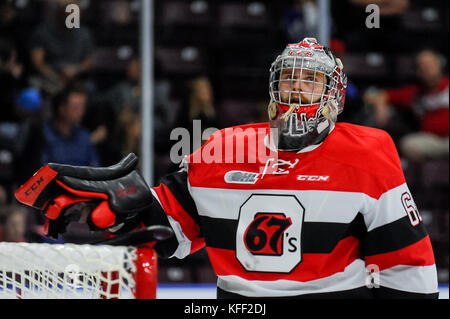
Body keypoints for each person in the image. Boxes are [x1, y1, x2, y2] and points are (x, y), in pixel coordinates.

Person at [15, 38, 438, 299]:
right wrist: (117, 208)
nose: (296, 88)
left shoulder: (367, 152)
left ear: (335, 95)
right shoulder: (225, 145)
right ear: (273, 88)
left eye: (310, 81)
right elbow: (172, 233)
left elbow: (408, 266)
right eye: (289, 78)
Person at [365, 49, 449, 162]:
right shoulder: (415, 93)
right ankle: (430, 174)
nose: (427, 68)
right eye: (422, 65)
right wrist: (381, 111)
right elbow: (381, 95)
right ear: (418, 71)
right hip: (432, 140)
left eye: (430, 63)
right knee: (408, 144)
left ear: (439, 64)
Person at [41, 82, 99, 167]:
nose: (81, 112)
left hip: (81, 179)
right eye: (76, 108)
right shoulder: (44, 135)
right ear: (62, 109)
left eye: (83, 107)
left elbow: (95, 168)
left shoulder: (84, 135)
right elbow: (41, 170)